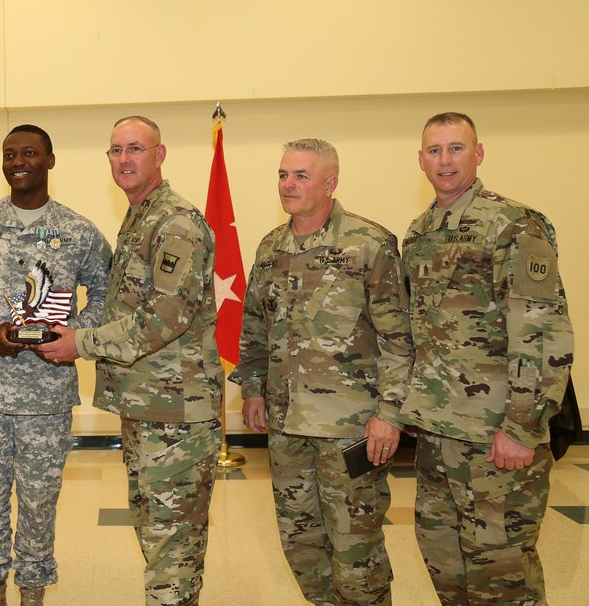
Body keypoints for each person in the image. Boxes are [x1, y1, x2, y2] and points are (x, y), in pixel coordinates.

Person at [39, 116, 222, 606]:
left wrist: (80, 342)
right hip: (149, 408)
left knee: (172, 542)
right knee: (154, 530)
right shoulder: (141, 217)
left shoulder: (175, 222)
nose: (124, 159)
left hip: (178, 414)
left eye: (135, 148)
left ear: (159, 156)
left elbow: (165, 316)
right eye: (116, 150)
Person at [228, 139, 414, 605]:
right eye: (283, 175)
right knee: (301, 544)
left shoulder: (369, 244)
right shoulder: (271, 247)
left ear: (330, 183)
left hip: (350, 429)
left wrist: (390, 414)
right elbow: (254, 326)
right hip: (287, 425)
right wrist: (252, 390)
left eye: (301, 176)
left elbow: (399, 338)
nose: (288, 185)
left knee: (356, 550)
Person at [400, 112, 574, 604]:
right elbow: (423, 330)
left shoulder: (513, 225)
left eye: (456, 148)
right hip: (438, 433)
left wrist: (522, 426)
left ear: (479, 153)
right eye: (434, 150)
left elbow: (541, 333)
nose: (445, 161)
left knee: (501, 573)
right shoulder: (419, 232)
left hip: (496, 434)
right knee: (445, 564)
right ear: (420, 160)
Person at [0, 124, 111, 606]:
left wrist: (75, 335)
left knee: (38, 502)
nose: (19, 161)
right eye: (10, 154)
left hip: (47, 394)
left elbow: (106, 292)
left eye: (30, 153)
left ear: (50, 160)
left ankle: (33, 593)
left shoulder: (78, 231)